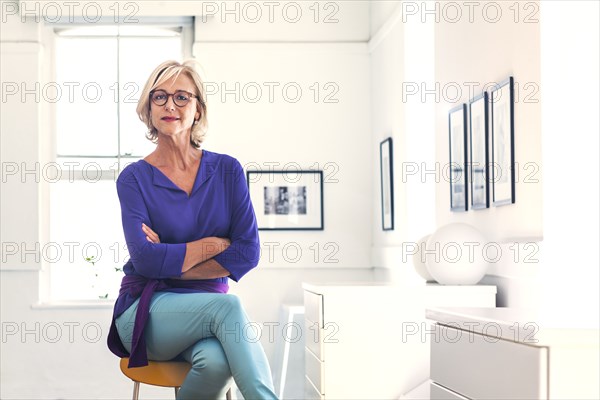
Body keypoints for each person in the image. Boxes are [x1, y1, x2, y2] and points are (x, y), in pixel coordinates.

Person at [107, 60, 278, 400]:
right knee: (229, 308)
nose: (170, 105)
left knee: (216, 363)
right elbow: (144, 260)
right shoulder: (134, 179)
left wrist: (169, 261)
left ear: (198, 109)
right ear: (148, 109)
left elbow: (248, 252)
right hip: (146, 311)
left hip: (208, 310)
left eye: (182, 97)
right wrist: (212, 246)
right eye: (160, 97)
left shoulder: (227, 170)